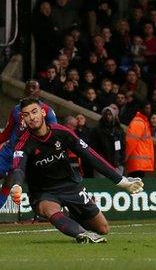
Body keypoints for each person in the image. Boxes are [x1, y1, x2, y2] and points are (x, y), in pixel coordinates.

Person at [9, 97, 144, 243]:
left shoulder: (62, 132)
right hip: (44, 192)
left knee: (103, 228)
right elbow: (18, 168)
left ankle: (74, 218)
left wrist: (121, 181)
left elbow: (91, 156)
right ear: (23, 118)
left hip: (70, 185)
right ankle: (81, 234)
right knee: (48, 209)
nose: (31, 117)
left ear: (42, 112)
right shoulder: (23, 143)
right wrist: (16, 185)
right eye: (26, 115)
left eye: (34, 112)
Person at [0, 81, 57, 229]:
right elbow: (6, 134)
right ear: (24, 91)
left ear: (39, 91)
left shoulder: (47, 111)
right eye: (28, 88)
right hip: (8, 151)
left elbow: (54, 132)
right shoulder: (17, 110)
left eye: (34, 88)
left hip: (26, 154)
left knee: (8, 185)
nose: (31, 90)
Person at [90, 106, 125, 176]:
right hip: (101, 163)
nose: (108, 116)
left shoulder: (119, 130)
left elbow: (122, 147)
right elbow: (93, 147)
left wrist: (121, 161)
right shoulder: (97, 130)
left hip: (117, 164)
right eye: (106, 114)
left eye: (110, 114)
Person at [124, 101, 154, 178]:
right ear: (141, 109)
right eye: (146, 108)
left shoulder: (143, 122)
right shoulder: (138, 122)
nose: (148, 110)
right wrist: (125, 157)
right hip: (137, 162)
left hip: (139, 162)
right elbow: (131, 141)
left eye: (149, 108)